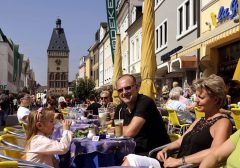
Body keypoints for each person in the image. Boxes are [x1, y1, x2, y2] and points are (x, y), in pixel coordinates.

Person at [122, 74, 232, 167]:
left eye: (201, 98)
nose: (196, 101)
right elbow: (180, 141)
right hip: (174, 164)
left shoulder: (222, 122)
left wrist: (180, 161)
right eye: (196, 96)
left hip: (186, 165)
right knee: (130, 159)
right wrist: (165, 149)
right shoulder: (200, 120)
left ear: (216, 99)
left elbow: (215, 153)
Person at [114, 74, 170, 155]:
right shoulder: (120, 108)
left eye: (128, 88)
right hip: (132, 151)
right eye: (120, 90)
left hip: (155, 153)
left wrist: (114, 130)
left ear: (137, 88)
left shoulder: (145, 102)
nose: (124, 92)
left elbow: (130, 132)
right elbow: (116, 134)